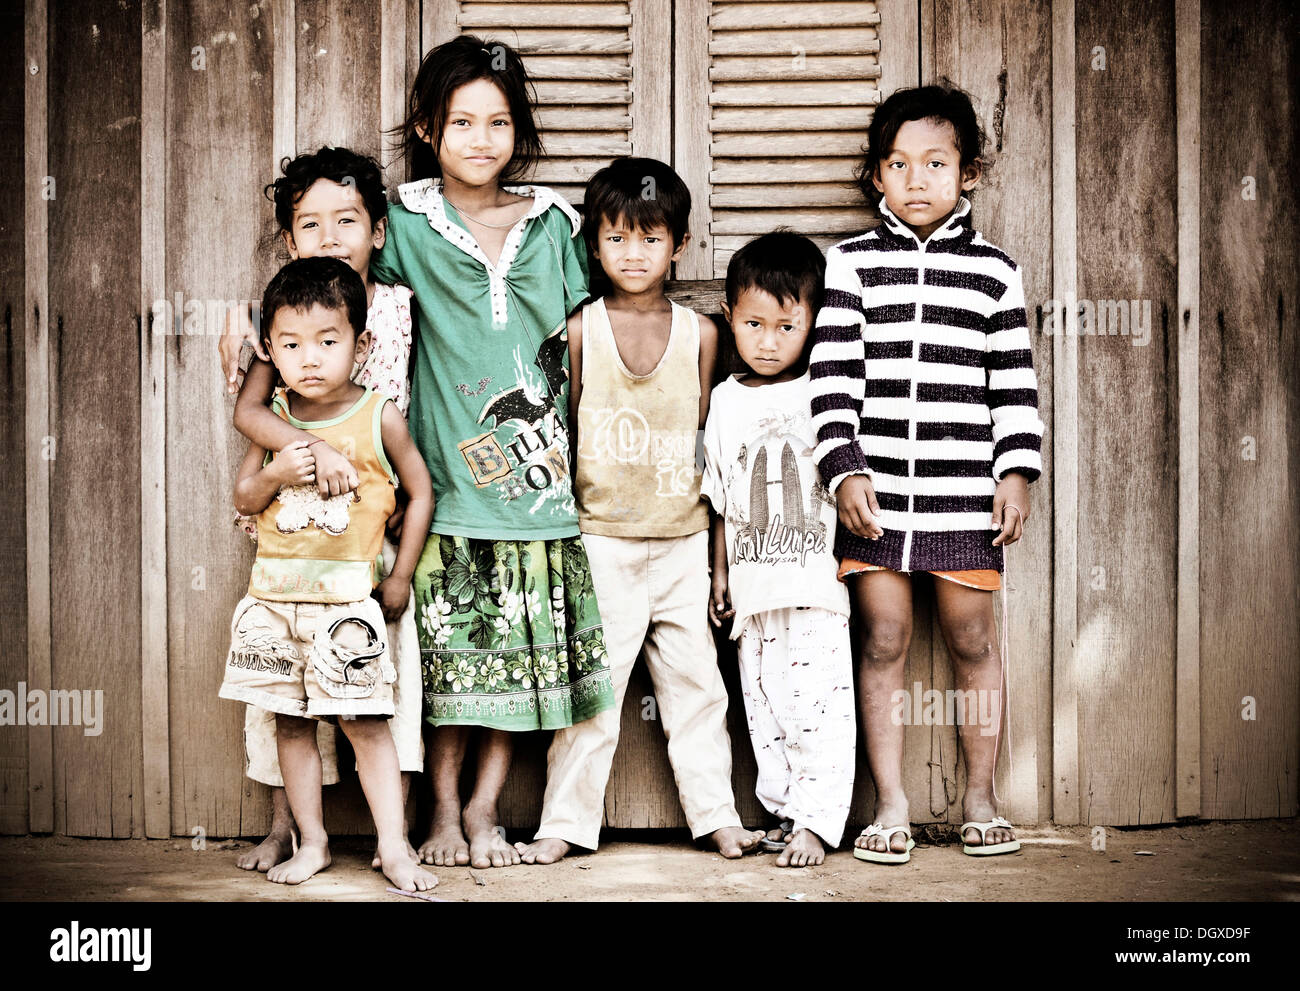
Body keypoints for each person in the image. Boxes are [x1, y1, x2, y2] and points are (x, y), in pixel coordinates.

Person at [369, 35, 618, 870]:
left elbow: (604, 327)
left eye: (499, 122)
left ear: (521, 132)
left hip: (541, 491)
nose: (481, 138)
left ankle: (483, 814)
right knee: (451, 673)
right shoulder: (401, 220)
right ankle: (440, 810)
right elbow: (331, 277)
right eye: (461, 121)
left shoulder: (556, 226)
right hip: (446, 487)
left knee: (520, 673)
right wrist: (239, 324)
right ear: (427, 128)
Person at [809, 83, 1044, 863]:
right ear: (877, 175)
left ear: (967, 173)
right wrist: (843, 468)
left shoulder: (993, 272)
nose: (916, 180)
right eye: (899, 164)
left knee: (974, 638)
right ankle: (891, 803)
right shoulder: (850, 266)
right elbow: (832, 378)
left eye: (935, 163)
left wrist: (1016, 472)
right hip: (876, 494)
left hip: (961, 492)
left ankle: (981, 794)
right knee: (882, 636)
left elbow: (1012, 382)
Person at [515, 157, 765, 865]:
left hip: (684, 541)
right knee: (593, 698)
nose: (633, 253)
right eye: (617, 237)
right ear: (593, 244)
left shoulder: (703, 336)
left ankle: (717, 815)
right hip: (603, 543)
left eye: (650, 238)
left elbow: (711, 451)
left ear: (679, 245)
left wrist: (720, 561)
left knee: (697, 692)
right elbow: (554, 435)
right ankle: (564, 822)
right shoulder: (580, 332)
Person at [217, 147, 422, 873]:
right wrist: (303, 454)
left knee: (369, 699)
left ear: (378, 230)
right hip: (290, 536)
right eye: (310, 223)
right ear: (288, 240)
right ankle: (293, 830)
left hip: (365, 543)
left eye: (348, 219)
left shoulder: (395, 307)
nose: (330, 236)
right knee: (283, 702)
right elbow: (252, 410)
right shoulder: (276, 317)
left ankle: (392, 839)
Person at [702, 232, 855, 868]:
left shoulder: (826, 390)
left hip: (815, 585)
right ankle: (787, 812)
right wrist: (720, 573)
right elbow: (720, 495)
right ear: (730, 318)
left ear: (814, 324)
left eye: (786, 326)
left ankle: (819, 822)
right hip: (753, 587)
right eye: (753, 324)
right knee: (763, 707)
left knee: (816, 704)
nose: (768, 341)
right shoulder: (726, 400)